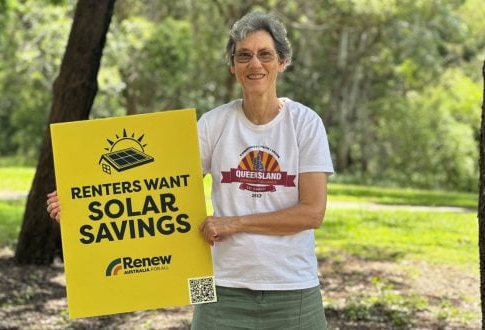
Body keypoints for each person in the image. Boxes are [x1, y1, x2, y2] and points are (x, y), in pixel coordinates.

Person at [47, 11, 334, 329]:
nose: (255, 64)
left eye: (265, 54)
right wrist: (80, 204)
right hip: (218, 287)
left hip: (294, 287)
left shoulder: (305, 123)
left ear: (282, 62)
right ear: (233, 66)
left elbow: (312, 213)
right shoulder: (213, 123)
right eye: (244, 56)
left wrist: (234, 223)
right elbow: (158, 186)